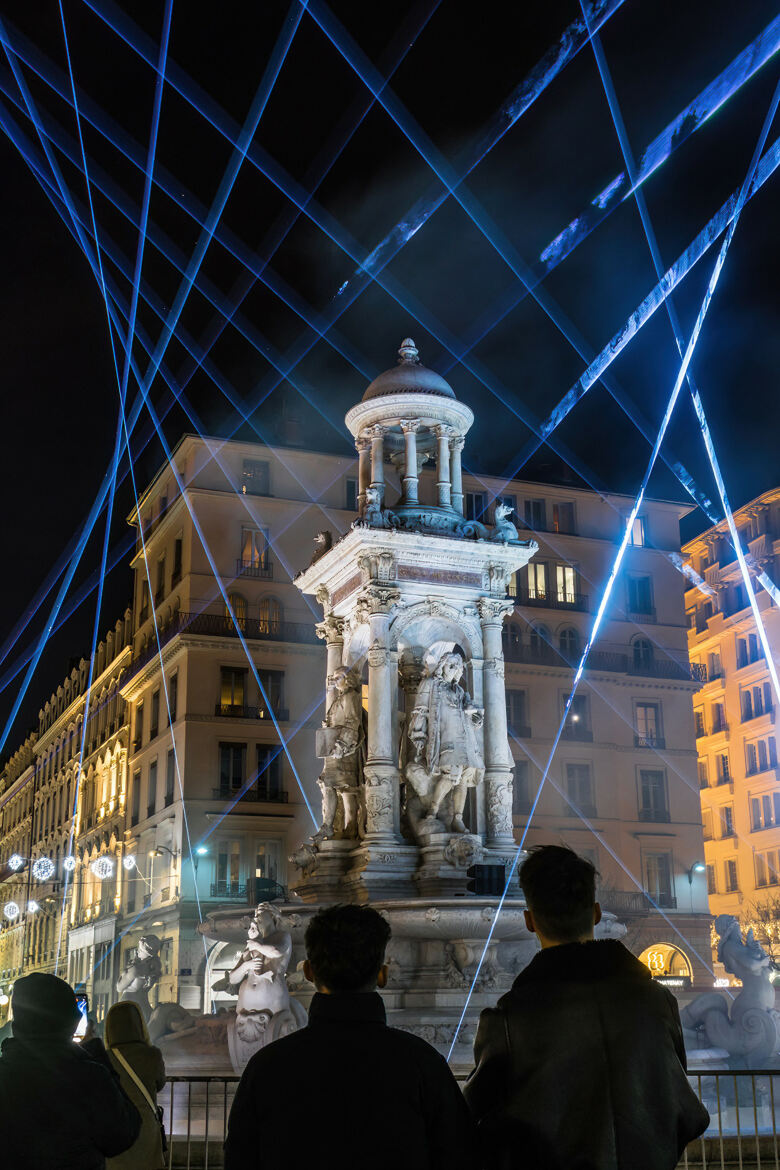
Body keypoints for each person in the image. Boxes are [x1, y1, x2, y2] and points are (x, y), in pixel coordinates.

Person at [464, 845, 710, 1170]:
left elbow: (474, 1119)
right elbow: (683, 1108)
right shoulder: (655, 1001)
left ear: (529, 921)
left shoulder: (511, 1018)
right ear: (595, 913)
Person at [224, 903, 478, 1170]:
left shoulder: (266, 1067)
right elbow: (459, 1153)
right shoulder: (423, 1064)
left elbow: (240, 1157)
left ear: (309, 972)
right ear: (383, 975)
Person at [0, 972, 140, 1169]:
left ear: (18, 1022)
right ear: (71, 1022)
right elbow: (120, 1136)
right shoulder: (90, 1076)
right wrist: (97, 1055)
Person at [103, 1000, 167, 1169]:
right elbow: (160, 1084)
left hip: (116, 1127)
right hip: (146, 1127)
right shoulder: (152, 1055)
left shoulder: (104, 1057)